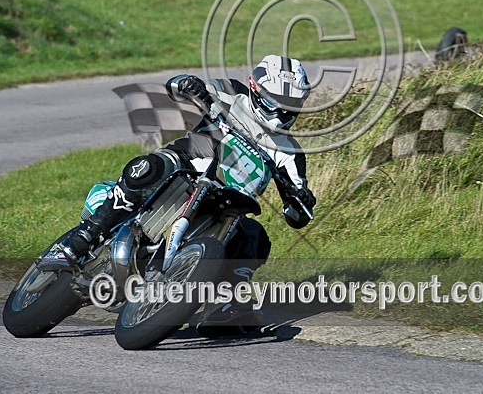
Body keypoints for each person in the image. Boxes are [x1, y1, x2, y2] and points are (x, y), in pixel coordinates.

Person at [40, 54, 317, 332]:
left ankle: (224, 304)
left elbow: (297, 215)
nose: (282, 112)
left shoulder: (290, 151)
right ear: (255, 88)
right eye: (277, 102)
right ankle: (85, 235)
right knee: (148, 167)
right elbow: (179, 88)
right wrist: (189, 85)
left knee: (255, 236)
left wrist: (301, 201)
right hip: (186, 167)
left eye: (292, 105)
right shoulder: (232, 93)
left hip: (229, 203)